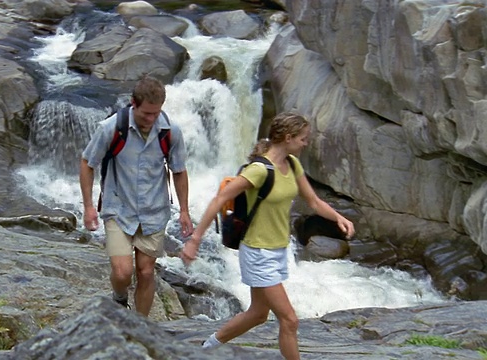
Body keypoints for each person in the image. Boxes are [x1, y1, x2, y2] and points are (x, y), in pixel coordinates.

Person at [180, 112, 355, 360]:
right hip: (258, 252)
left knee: (258, 314)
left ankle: (206, 348)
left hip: (279, 250)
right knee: (290, 319)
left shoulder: (293, 165)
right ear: (288, 138)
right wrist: (195, 239)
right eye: (303, 138)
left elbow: (314, 201)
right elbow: (221, 197)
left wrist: (338, 218)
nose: (306, 143)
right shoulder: (259, 170)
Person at [80, 76, 194, 316]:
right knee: (122, 273)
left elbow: (179, 171)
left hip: (154, 211)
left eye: (156, 114)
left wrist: (184, 210)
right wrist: (89, 206)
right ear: (133, 103)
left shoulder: (171, 131)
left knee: (145, 272)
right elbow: (87, 163)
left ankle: (140, 326)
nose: (151, 120)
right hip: (118, 208)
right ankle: (119, 296)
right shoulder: (111, 128)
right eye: (146, 114)